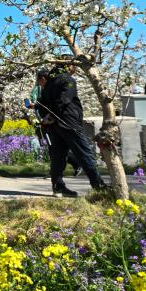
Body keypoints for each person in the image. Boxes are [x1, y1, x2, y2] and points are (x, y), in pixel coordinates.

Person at [37, 64, 107, 198]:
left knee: (58, 157)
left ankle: (58, 187)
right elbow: (65, 100)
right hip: (68, 123)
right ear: (67, 66)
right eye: (73, 66)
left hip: (53, 126)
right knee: (85, 153)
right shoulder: (68, 80)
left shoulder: (48, 83)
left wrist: (47, 118)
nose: (75, 68)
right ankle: (99, 186)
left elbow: (41, 104)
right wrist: (52, 116)